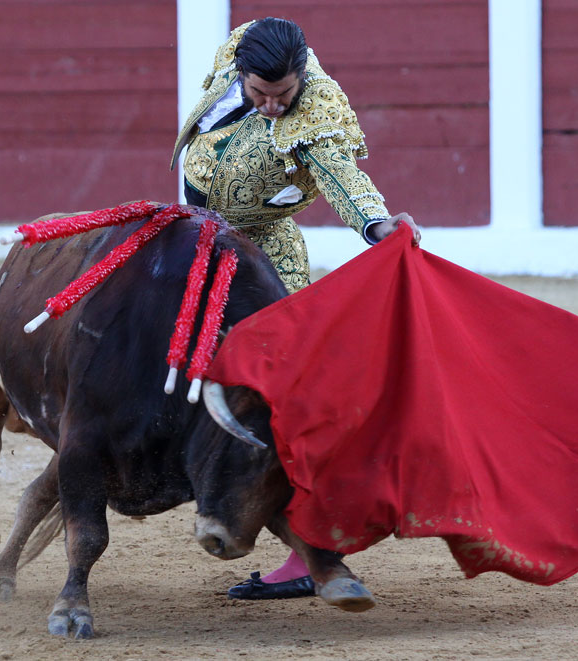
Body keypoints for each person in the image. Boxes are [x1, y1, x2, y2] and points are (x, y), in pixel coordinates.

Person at [171, 17, 420, 600]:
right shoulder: (240, 47)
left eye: (284, 94)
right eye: (261, 94)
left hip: (262, 258)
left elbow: (340, 174)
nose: (274, 106)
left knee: (283, 399)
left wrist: (377, 225)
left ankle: (309, 553)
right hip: (193, 239)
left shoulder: (316, 113)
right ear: (242, 73)